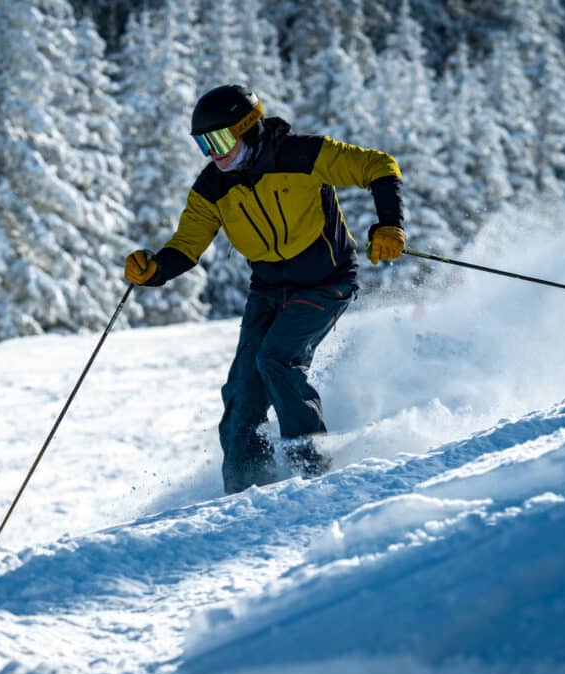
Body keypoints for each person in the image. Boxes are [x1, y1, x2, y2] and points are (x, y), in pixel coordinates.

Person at [124, 84, 406, 494]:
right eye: (203, 143)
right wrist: (153, 270)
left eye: (218, 139)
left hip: (327, 280)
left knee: (277, 358)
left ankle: (313, 472)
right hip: (270, 289)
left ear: (248, 127)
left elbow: (379, 166)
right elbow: (186, 246)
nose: (212, 152)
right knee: (242, 389)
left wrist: (389, 223)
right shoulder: (212, 188)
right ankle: (243, 491)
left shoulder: (302, 155)